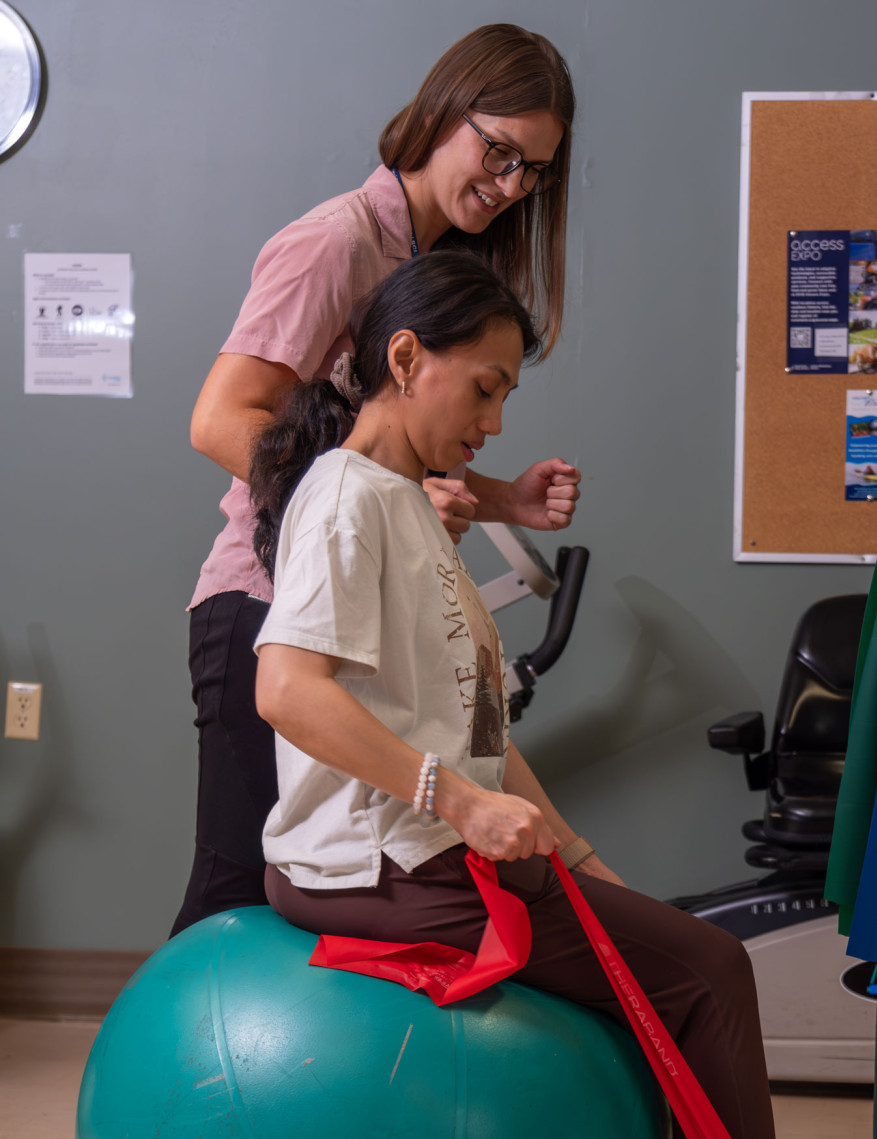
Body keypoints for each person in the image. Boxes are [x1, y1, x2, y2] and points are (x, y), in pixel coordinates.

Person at [251, 251, 776, 1139]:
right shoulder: (347, 499)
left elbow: (476, 733)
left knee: (678, 948)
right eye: (485, 389)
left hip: (425, 849)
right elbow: (286, 689)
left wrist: (581, 859)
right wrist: (456, 801)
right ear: (407, 359)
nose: (494, 421)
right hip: (377, 866)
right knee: (713, 969)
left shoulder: (409, 501)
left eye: (506, 400)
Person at [172, 24, 581, 936]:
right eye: (498, 150)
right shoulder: (335, 243)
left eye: (534, 171)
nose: (510, 184)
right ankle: (151, 1084)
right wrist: (387, 509)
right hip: (267, 604)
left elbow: (383, 454)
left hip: (366, 623)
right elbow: (220, 420)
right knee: (234, 896)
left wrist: (502, 496)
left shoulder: (438, 265)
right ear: (442, 112)